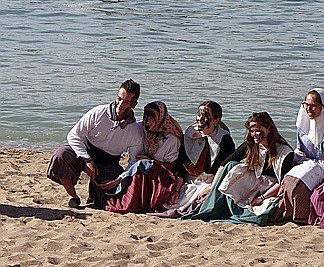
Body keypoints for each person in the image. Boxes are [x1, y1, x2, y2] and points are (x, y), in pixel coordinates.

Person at [181, 112, 294, 226]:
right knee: (231, 166)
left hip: (270, 186)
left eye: (258, 130)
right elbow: (225, 163)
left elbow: (283, 182)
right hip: (255, 180)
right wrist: (213, 186)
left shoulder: (283, 152)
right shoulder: (251, 145)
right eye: (251, 131)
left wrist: (262, 197)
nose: (254, 134)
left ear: (268, 129)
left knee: (261, 213)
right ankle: (214, 207)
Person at [47, 80, 145, 209]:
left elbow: (133, 162)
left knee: (105, 203)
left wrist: (118, 179)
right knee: (61, 155)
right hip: (86, 153)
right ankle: (73, 197)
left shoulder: (135, 131)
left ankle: (94, 197)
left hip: (109, 163)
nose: (120, 105)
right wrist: (87, 160)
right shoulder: (98, 112)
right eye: (119, 99)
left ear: (134, 104)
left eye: (126, 102)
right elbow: (74, 135)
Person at [148, 101, 235, 218]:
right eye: (199, 115)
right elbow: (181, 164)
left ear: (216, 120)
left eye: (206, 116)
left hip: (211, 182)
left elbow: (225, 169)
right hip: (189, 180)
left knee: (200, 203)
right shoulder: (191, 135)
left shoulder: (224, 140)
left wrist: (212, 187)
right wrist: (177, 190)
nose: (200, 119)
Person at [271, 88, 324, 224]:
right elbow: (300, 151)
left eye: (313, 106)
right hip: (309, 163)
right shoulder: (303, 126)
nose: (309, 109)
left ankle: (301, 216)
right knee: (289, 179)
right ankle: (286, 213)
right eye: (306, 105)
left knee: (300, 185)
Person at [102, 101, 183, 213]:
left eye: (152, 118)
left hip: (162, 177)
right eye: (146, 117)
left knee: (143, 165)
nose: (147, 121)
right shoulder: (141, 130)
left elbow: (172, 165)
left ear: (160, 119)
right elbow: (133, 159)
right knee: (140, 167)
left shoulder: (171, 140)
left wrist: (151, 162)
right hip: (143, 174)